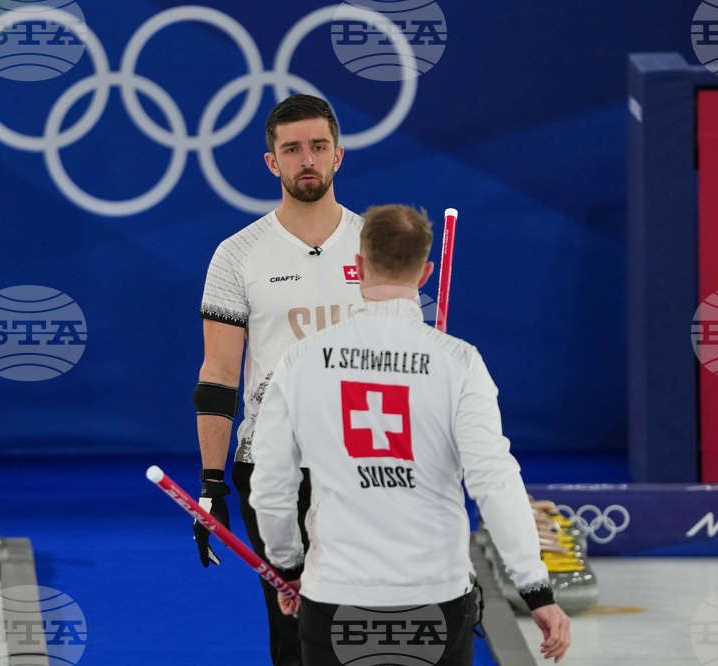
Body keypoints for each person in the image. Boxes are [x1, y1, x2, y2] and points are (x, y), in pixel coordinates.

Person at [250, 204, 572, 664]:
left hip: (336, 594)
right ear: (425, 273)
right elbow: (494, 481)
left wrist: (288, 567)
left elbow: (272, 485)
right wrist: (536, 589)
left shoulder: (302, 360)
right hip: (436, 594)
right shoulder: (459, 362)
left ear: (356, 266)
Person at [193, 94, 366, 666]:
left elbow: (411, 365)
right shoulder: (236, 255)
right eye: (291, 149)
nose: (306, 159)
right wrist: (212, 482)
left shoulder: (377, 246)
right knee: (295, 631)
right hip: (272, 467)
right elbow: (218, 376)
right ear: (273, 162)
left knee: (366, 622)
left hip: (366, 462)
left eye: (318, 146)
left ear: (338, 155)